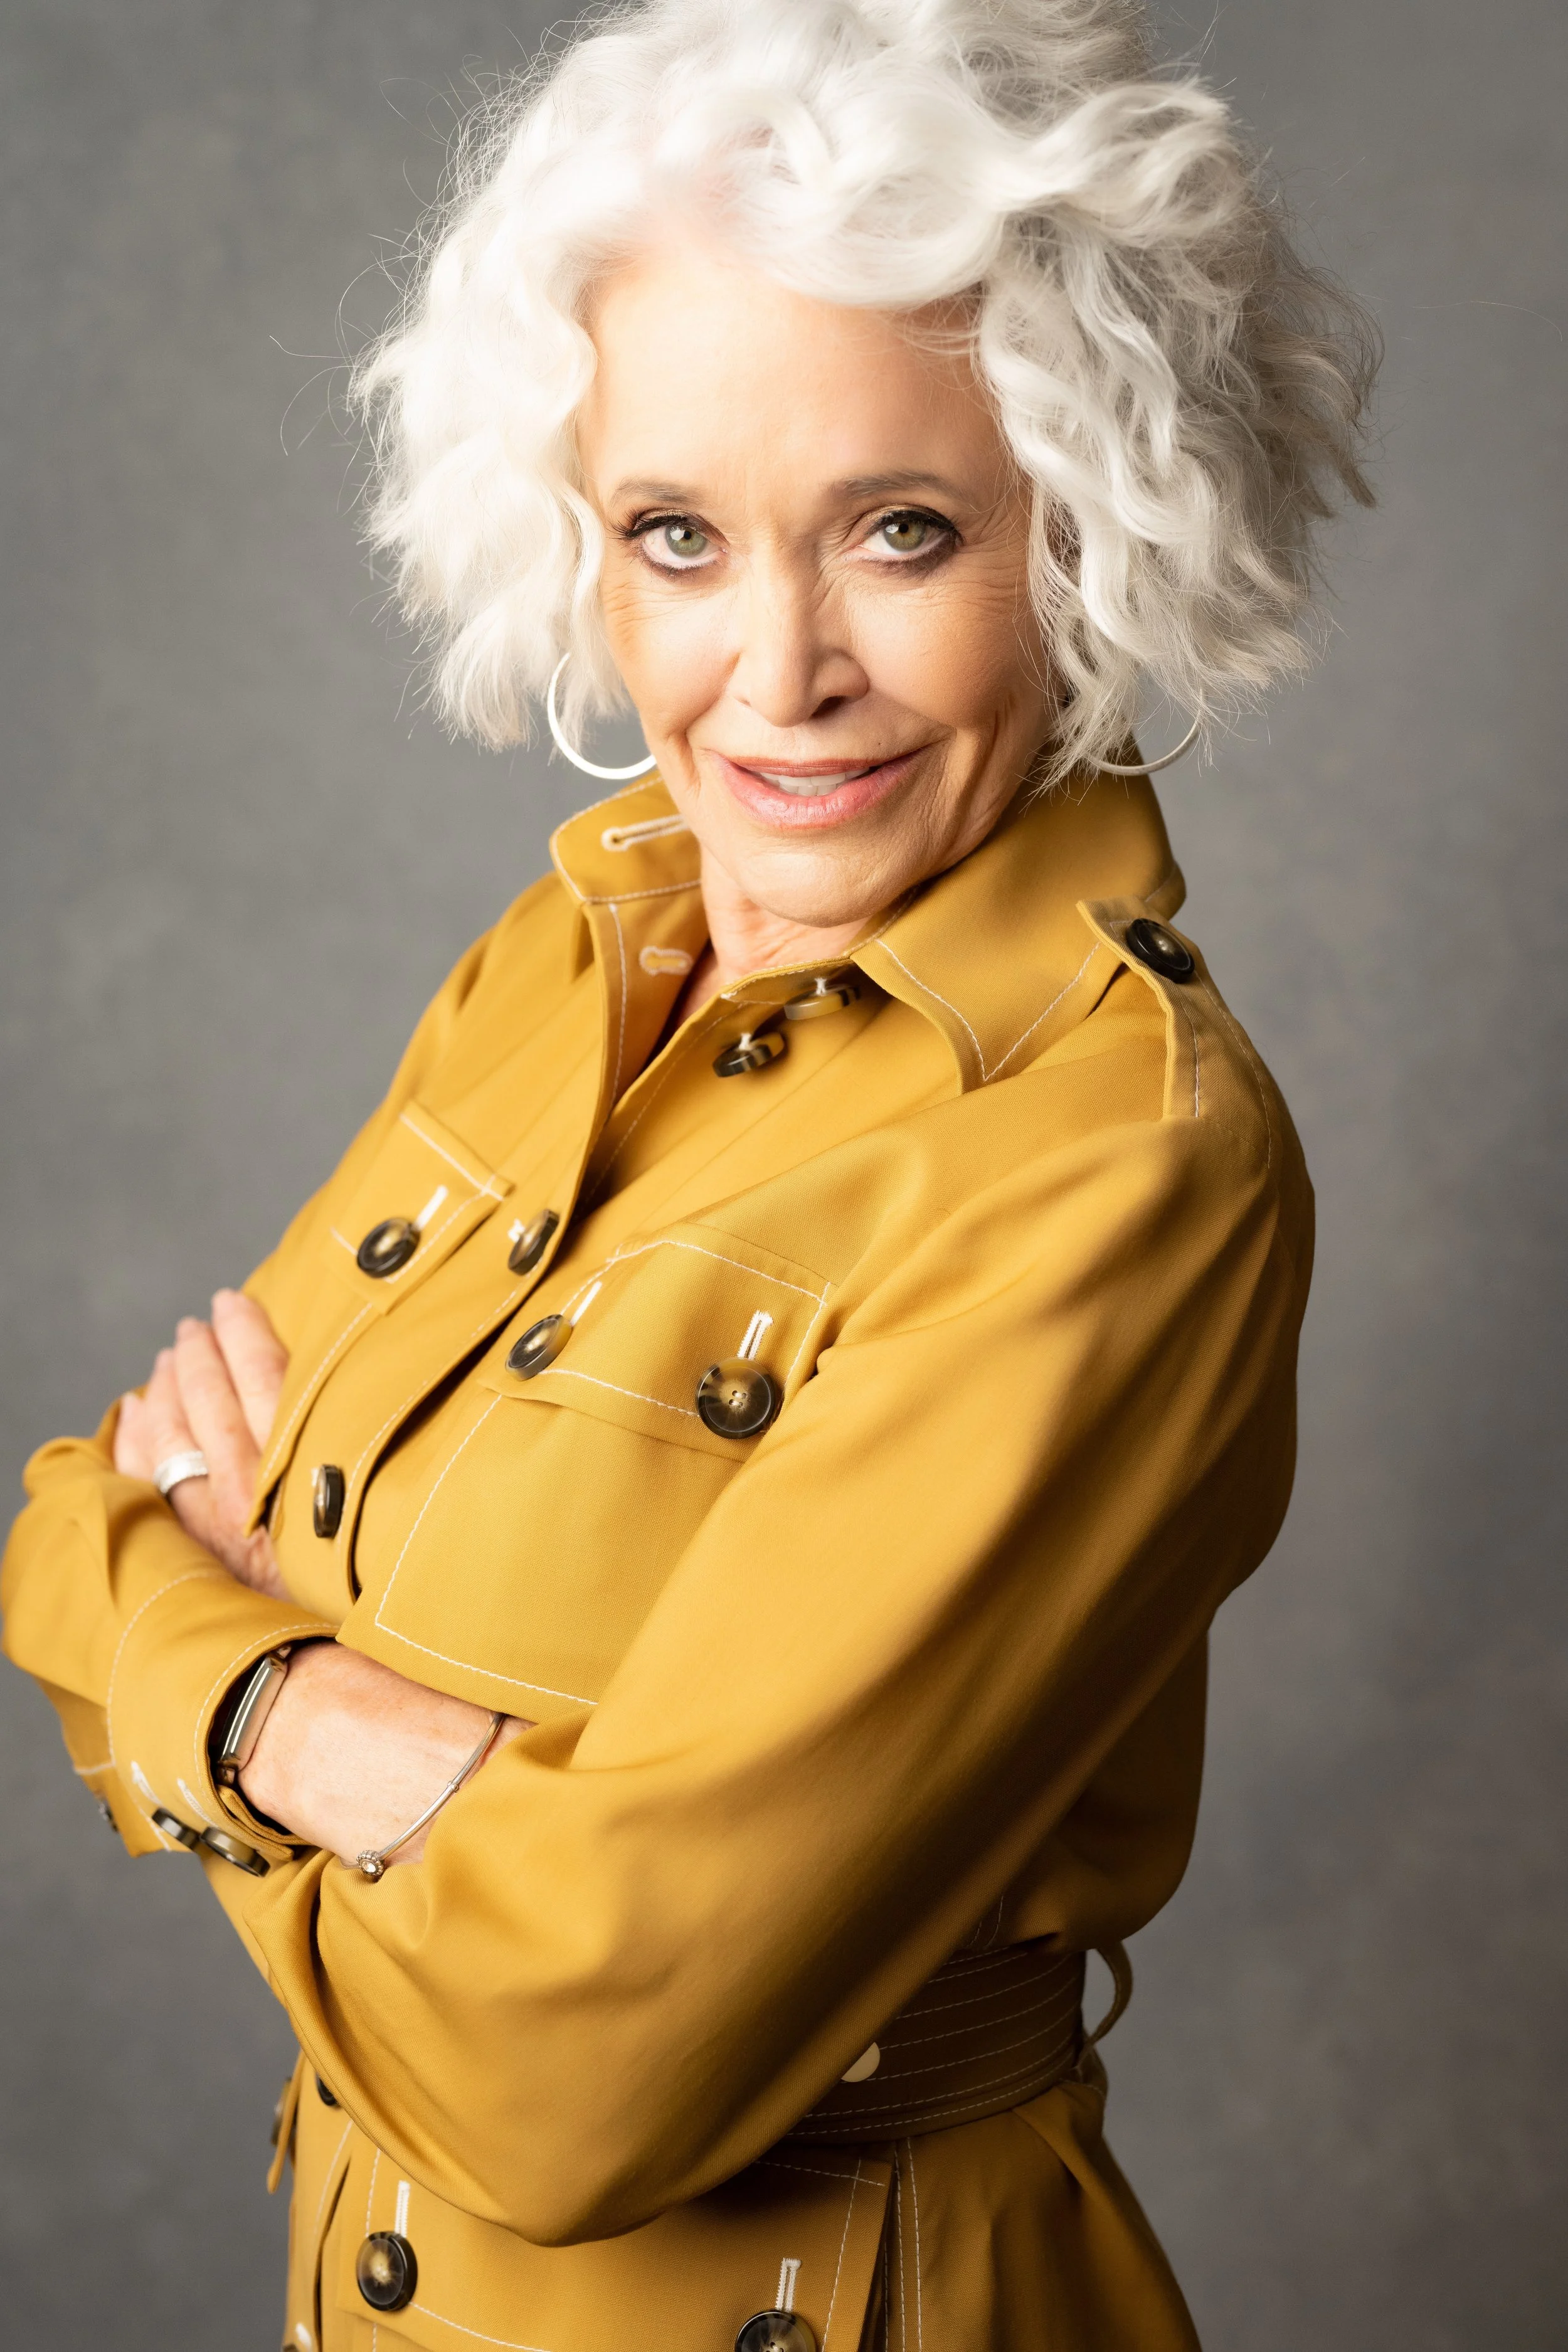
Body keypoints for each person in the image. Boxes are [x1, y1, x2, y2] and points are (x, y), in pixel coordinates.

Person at [1, 2, 1377, 2345]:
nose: (779, 669)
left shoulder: (1115, 1157)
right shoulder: (555, 956)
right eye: (676, 536)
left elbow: (563, 2076)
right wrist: (353, 1745)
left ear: (1093, 522)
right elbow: (64, 1522)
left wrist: (231, 1700)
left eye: (903, 532)